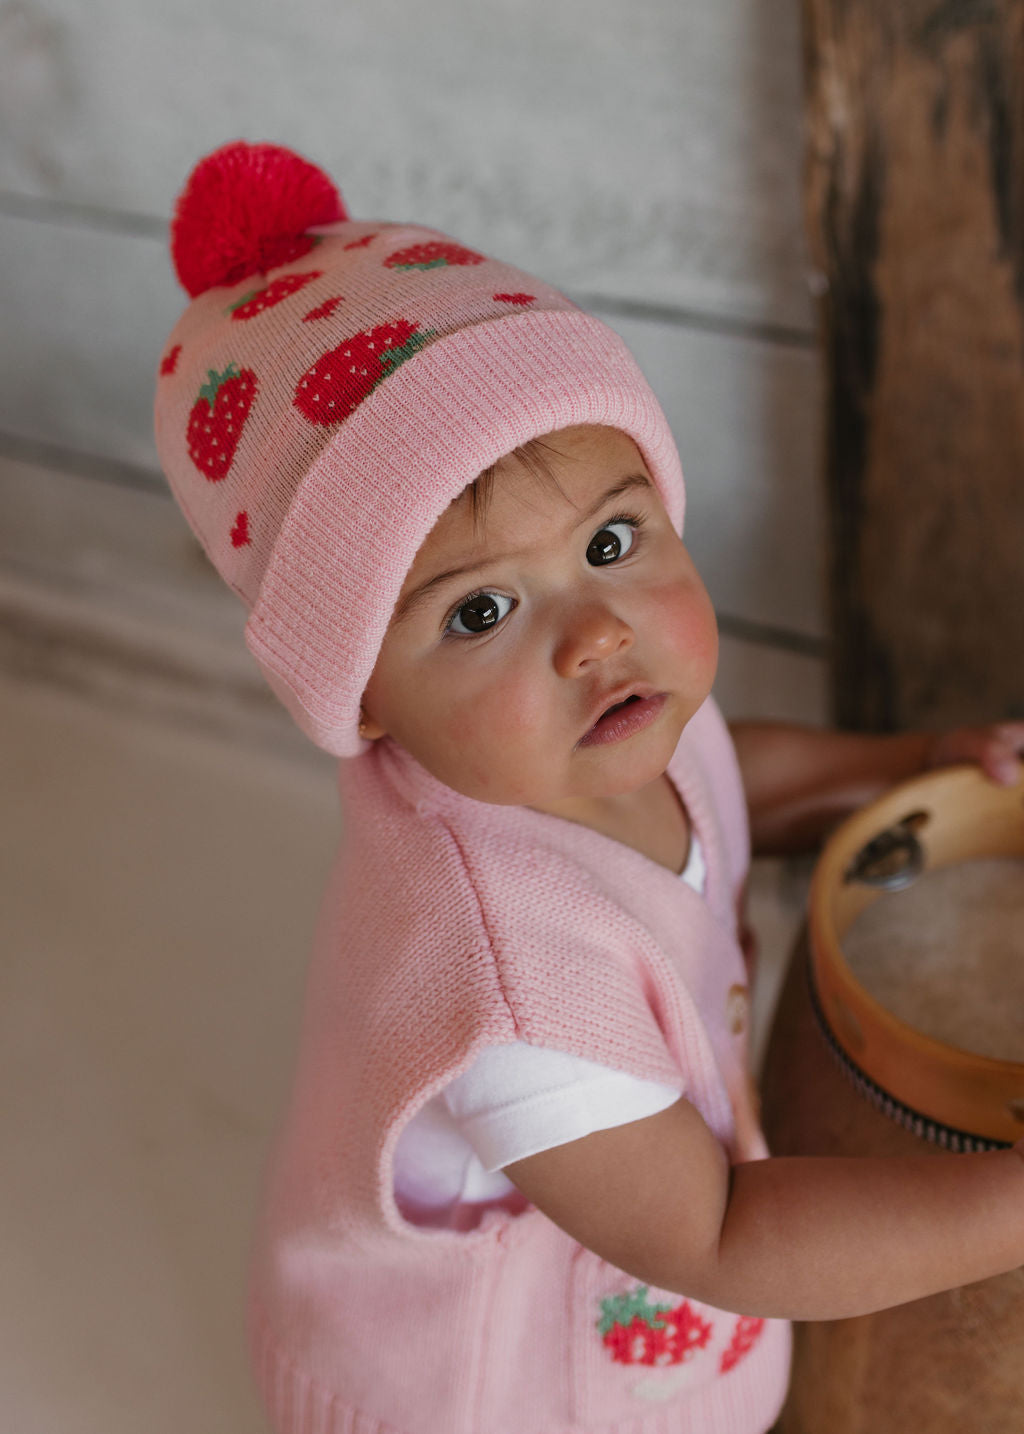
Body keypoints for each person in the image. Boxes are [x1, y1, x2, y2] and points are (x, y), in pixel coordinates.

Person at [153, 140, 1024, 1434]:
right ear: (365, 699)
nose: (595, 632)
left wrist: (901, 766)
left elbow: (732, 778)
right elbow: (722, 1232)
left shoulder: (599, 733)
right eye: (483, 609)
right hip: (490, 1388)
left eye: (612, 541)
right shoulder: (512, 995)